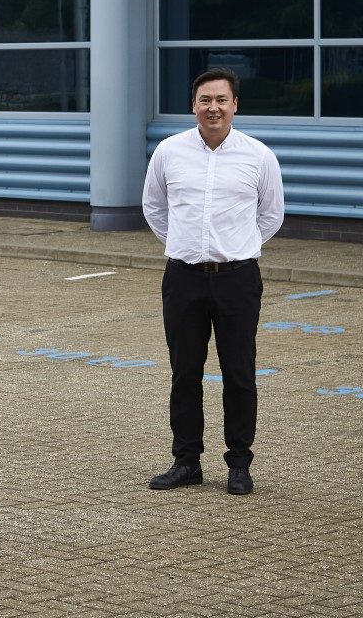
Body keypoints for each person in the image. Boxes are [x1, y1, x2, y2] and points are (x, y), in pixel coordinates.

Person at [142, 67, 284, 496]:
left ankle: (239, 463)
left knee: (238, 373)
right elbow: (154, 208)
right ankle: (186, 462)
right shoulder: (169, 152)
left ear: (235, 105)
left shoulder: (258, 156)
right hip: (183, 278)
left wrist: (234, 247)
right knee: (184, 372)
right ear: (193, 105)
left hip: (238, 280)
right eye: (205, 100)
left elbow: (270, 215)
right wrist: (189, 246)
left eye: (221, 100)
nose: (213, 108)